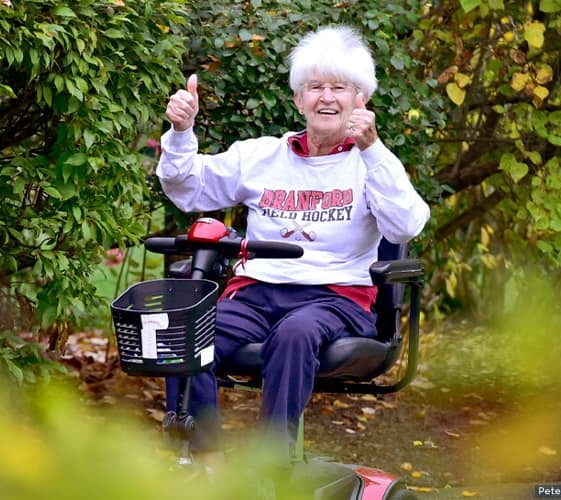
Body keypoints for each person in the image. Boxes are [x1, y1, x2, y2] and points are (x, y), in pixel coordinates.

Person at [156, 25, 430, 462]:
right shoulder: (261, 155)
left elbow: (405, 226)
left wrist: (373, 149)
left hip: (336, 298)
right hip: (255, 293)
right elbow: (188, 189)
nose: (326, 97)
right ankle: (206, 464)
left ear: (361, 99)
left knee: (295, 332)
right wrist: (181, 132)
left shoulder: (372, 163)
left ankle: (273, 465)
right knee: (186, 333)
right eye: (315, 87)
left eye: (339, 87)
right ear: (298, 100)